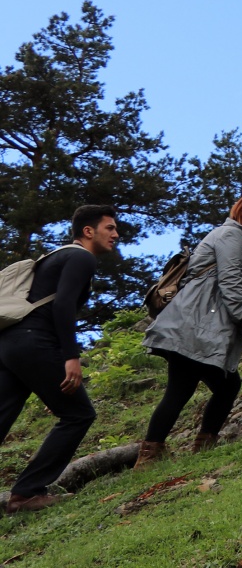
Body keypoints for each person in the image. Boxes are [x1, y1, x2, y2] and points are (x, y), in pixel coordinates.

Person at [136, 193, 242, 468]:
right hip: (195, 327)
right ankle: (169, 451)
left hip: (193, 325)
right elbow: (231, 279)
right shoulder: (231, 236)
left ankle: (161, 451)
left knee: (196, 388)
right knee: (207, 387)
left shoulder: (232, 237)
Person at [0, 205, 118, 512]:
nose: (116, 235)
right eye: (110, 228)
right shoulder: (81, 257)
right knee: (79, 414)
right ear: (88, 231)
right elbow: (63, 305)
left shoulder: (55, 256)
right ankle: (26, 493)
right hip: (35, 343)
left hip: (10, 344)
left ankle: (24, 493)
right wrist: (71, 357)